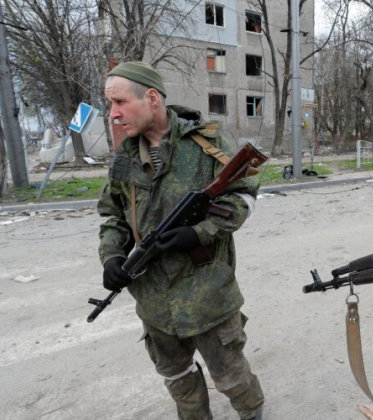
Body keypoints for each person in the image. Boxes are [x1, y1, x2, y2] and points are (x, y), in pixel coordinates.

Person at [97, 61, 264, 420]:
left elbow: (243, 198)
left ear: (152, 98)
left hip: (208, 297)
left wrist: (198, 233)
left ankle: (253, 414)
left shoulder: (206, 142)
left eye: (120, 102)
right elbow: (113, 215)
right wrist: (112, 256)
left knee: (232, 378)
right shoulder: (126, 156)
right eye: (110, 105)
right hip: (155, 303)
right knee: (177, 378)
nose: (113, 113)